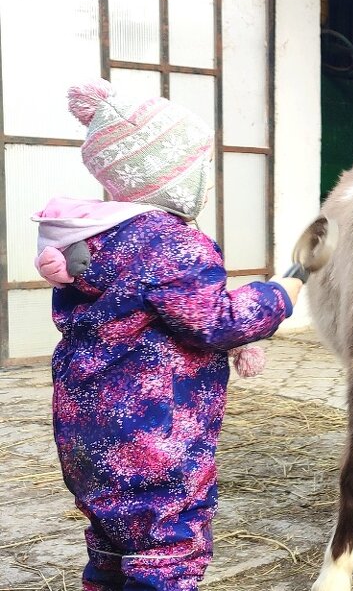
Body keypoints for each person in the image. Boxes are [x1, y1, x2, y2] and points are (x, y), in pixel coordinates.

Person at [33, 79, 302, 590]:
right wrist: (281, 293)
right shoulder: (168, 243)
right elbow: (216, 320)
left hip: (89, 442)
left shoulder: (93, 240)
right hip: (156, 440)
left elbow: (166, 310)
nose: (206, 177)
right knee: (167, 552)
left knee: (113, 544)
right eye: (200, 166)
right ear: (166, 175)